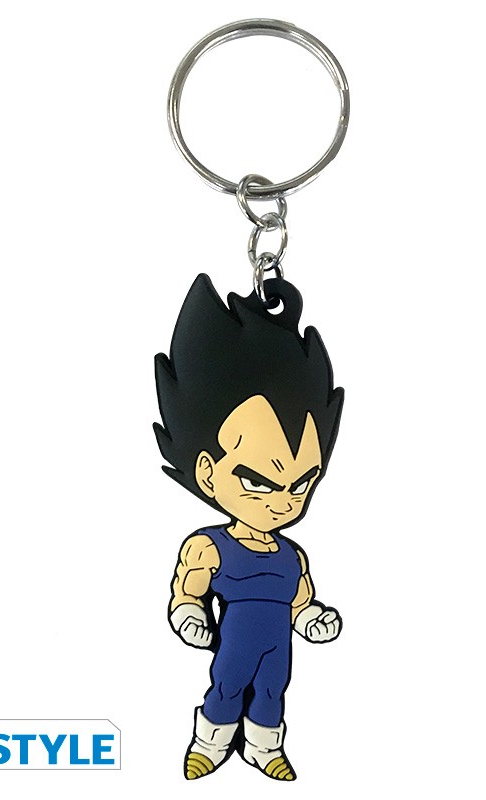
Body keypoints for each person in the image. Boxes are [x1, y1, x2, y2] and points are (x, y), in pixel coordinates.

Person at [154, 274, 344, 781]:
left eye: (302, 483)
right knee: (227, 686)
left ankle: (264, 747)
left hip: (277, 646)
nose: (285, 502)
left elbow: (300, 600)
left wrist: (312, 619)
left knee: (272, 690)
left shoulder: (291, 556)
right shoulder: (209, 547)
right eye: (259, 482)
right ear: (207, 472)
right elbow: (187, 592)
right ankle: (210, 743)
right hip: (233, 644)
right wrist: (189, 616)